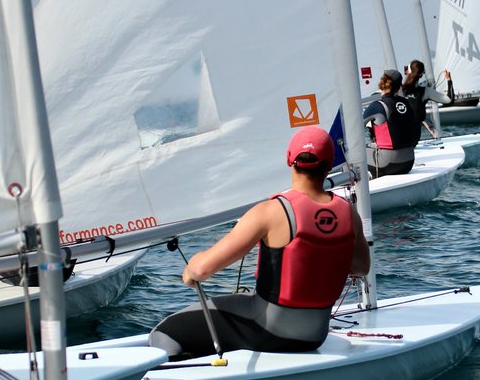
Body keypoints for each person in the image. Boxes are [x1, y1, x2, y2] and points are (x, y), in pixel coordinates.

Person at [149, 126, 370, 360]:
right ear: (329, 164)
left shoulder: (270, 211)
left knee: (163, 333)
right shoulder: (348, 213)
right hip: (315, 335)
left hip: (269, 331)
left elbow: (202, 270)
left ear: (289, 160)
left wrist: (191, 268)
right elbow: (360, 268)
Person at [363, 68, 422, 177]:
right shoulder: (407, 103)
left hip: (389, 163)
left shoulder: (376, 106)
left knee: (358, 150)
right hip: (409, 162)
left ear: (381, 84)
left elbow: (356, 128)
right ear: (399, 87)